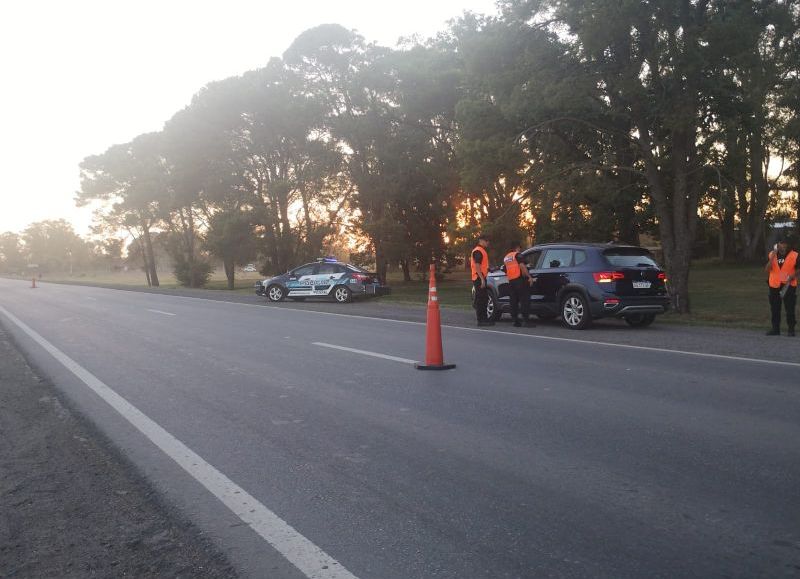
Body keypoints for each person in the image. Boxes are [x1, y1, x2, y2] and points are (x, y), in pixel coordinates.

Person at [764, 236, 798, 336]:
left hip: (788, 285)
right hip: (774, 285)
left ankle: (791, 330)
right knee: (775, 308)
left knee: (790, 308)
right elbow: (767, 269)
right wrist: (773, 255)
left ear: (788, 245)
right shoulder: (772, 254)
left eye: (784, 243)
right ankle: (775, 329)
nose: (782, 245)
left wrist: (793, 276)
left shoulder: (794, 255)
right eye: (780, 243)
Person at [504, 242, 535, 327]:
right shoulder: (518, 255)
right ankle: (526, 321)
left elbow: (505, 269)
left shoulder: (506, 257)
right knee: (524, 300)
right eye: (520, 248)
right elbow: (522, 266)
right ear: (517, 247)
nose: (520, 250)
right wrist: (529, 277)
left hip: (511, 281)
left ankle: (515, 321)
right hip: (520, 280)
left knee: (513, 301)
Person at [471, 234, 492, 326]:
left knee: (484, 298)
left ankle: (484, 319)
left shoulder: (481, 250)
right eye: (486, 241)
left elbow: (482, 266)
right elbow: (477, 265)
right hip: (479, 278)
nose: (488, 242)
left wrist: (489, 269)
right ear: (481, 240)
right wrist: (482, 279)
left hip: (481, 277)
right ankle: (481, 320)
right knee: (481, 299)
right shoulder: (478, 251)